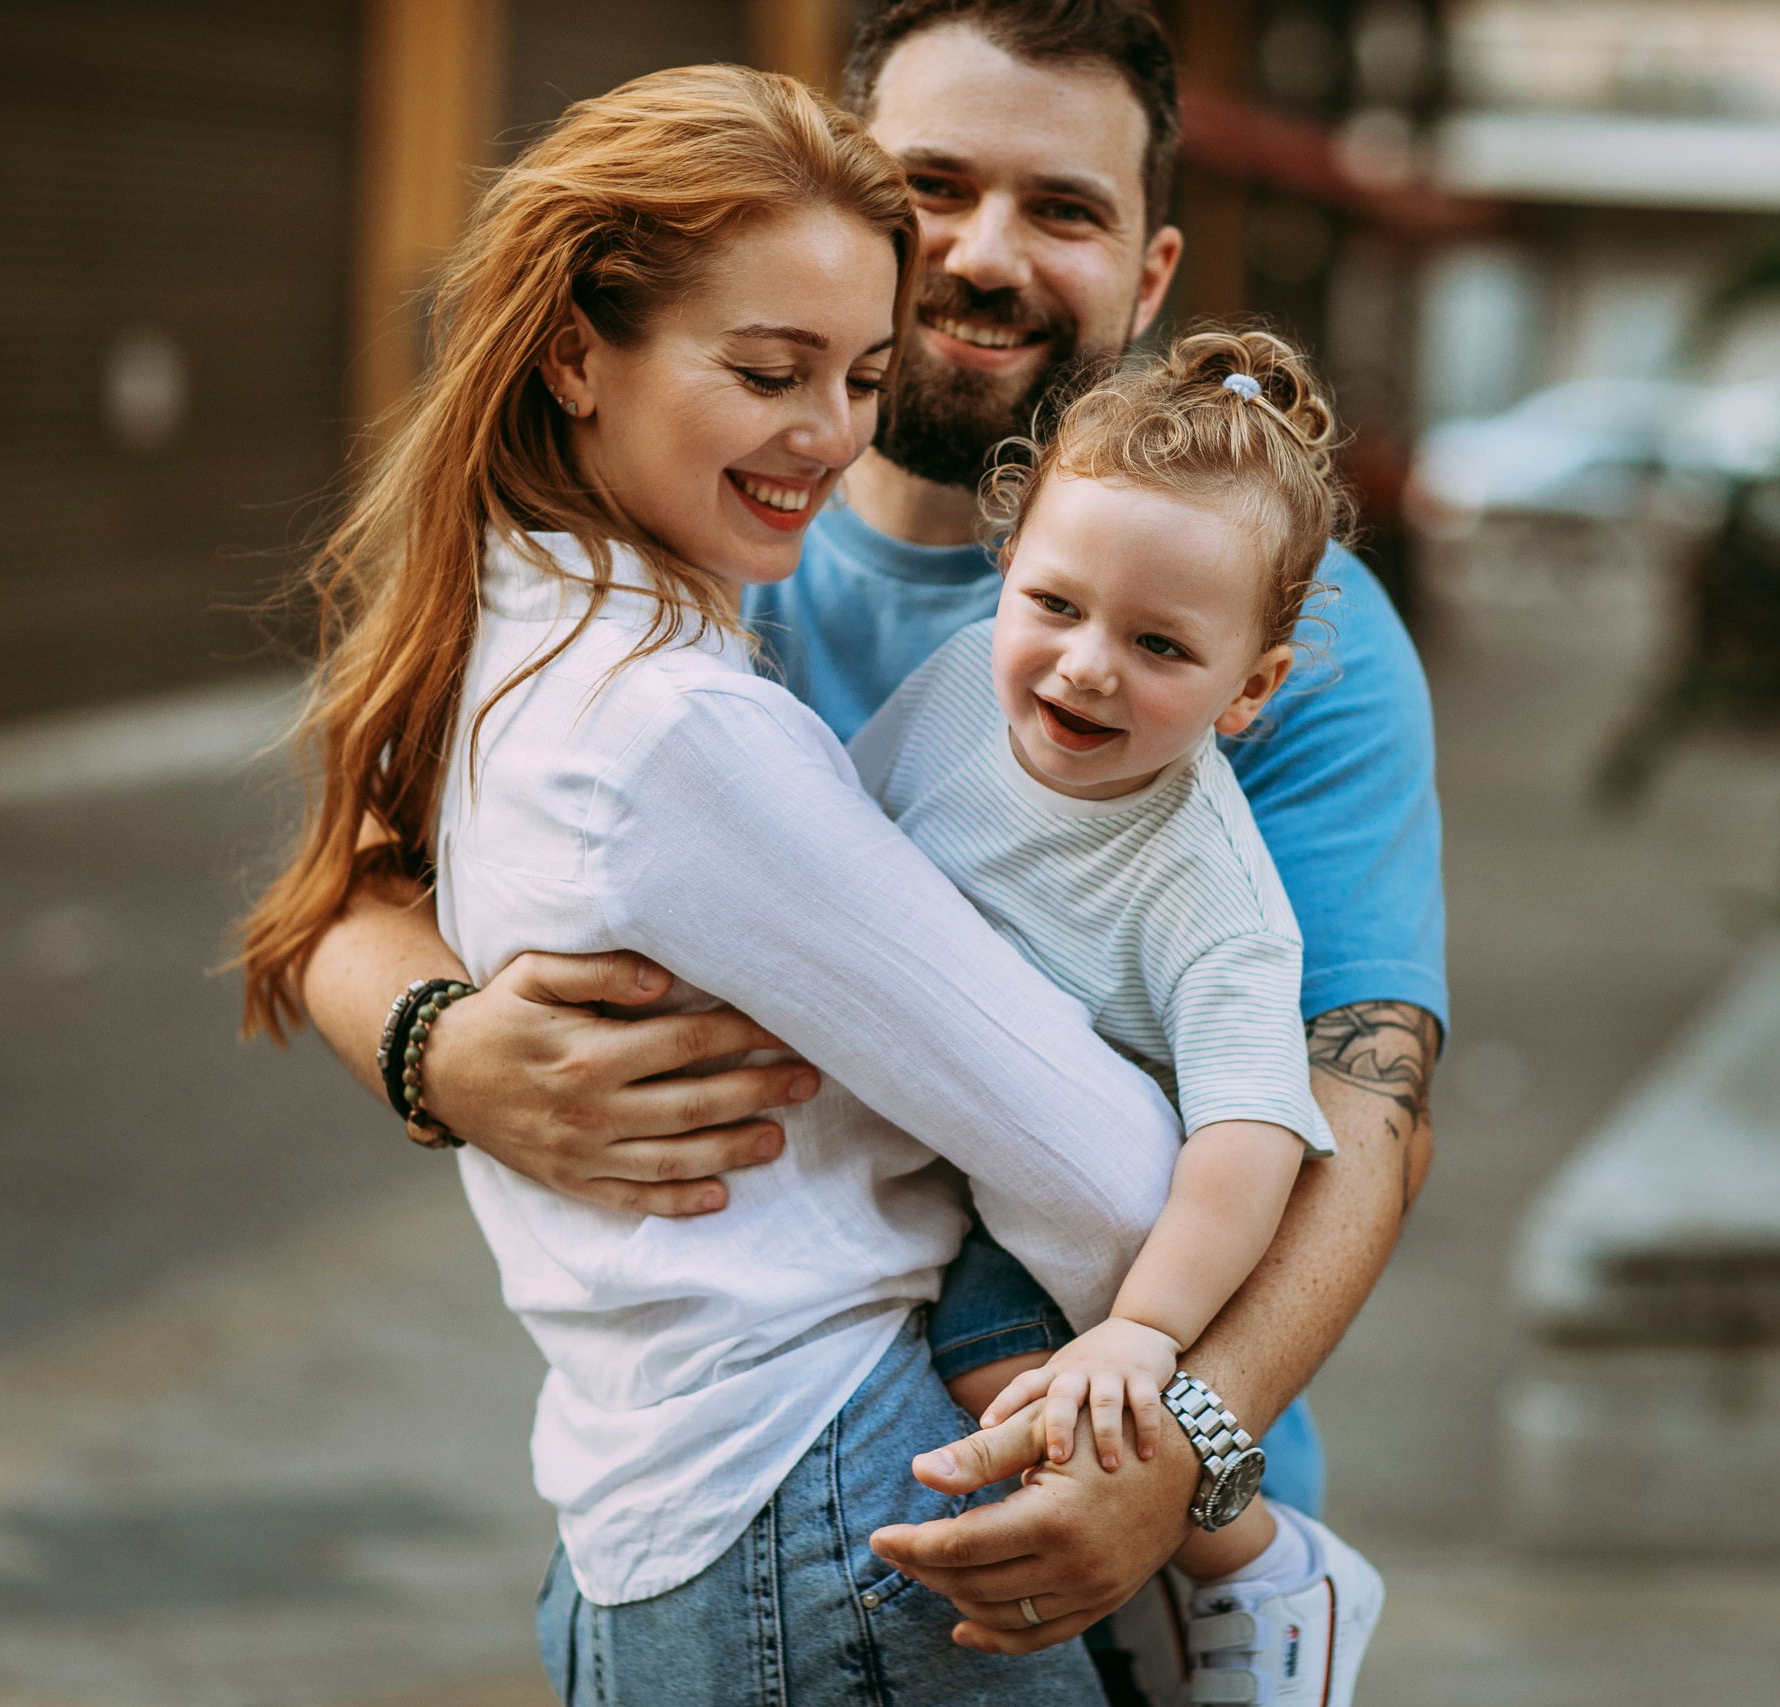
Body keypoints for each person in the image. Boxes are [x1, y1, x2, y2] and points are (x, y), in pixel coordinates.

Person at [294, 0, 1446, 1691]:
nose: (985, 253)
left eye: (1064, 208)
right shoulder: (720, 534)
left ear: (1149, 271)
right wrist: (440, 1047)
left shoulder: (1272, 615)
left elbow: (1363, 1096)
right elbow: (344, 892)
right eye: (934, 193)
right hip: (752, 1464)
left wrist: (1186, 1447)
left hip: (1115, 1470)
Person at [856, 325, 1389, 1705]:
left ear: (1250, 688)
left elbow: (1253, 1136)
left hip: (1092, 1226)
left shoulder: (1209, 887)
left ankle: (1260, 1567)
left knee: (1026, 1396)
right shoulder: (950, 699)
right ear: (1006, 573)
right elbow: (834, 843)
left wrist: (1146, 1329)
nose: (1086, 668)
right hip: (936, 1133)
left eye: (1160, 645)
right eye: (1055, 605)